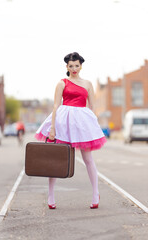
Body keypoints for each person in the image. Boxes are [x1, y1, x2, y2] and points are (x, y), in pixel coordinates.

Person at [35, 52, 107, 209]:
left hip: (81, 122)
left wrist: (93, 125)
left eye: (77, 65)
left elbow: (92, 106)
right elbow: (55, 105)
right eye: (71, 66)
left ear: (81, 66)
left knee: (88, 159)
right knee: (56, 159)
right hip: (63, 121)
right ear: (66, 66)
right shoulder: (62, 83)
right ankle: (51, 194)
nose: (74, 68)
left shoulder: (88, 84)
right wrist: (52, 128)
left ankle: (95, 193)